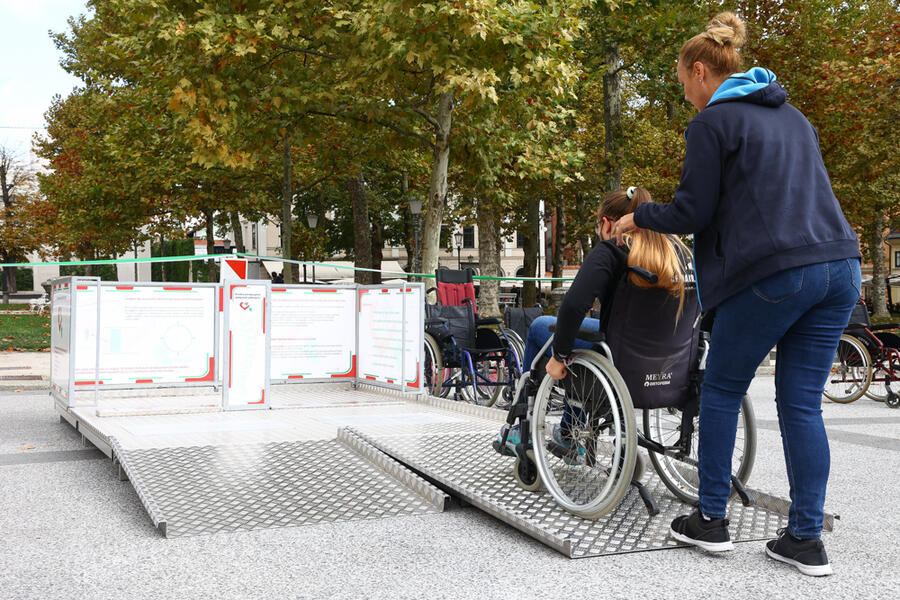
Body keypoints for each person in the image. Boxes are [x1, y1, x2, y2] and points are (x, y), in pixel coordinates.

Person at [613, 12, 861, 577]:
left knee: (721, 388)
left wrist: (638, 216)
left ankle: (711, 521)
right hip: (841, 266)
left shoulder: (712, 124)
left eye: (682, 84)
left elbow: (692, 211)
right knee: (801, 402)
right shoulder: (794, 117)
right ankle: (804, 538)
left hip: (776, 273)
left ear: (701, 72)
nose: (686, 96)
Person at [498, 186, 690, 452]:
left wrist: (559, 355)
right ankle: (569, 426)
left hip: (622, 356)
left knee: (542, 326)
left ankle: (525, 427)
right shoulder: (680, 255)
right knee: (584, 329)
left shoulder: (612, 252)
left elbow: (574, 305)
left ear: (607, 223)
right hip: (672, 361)